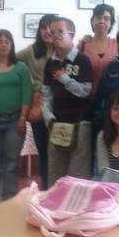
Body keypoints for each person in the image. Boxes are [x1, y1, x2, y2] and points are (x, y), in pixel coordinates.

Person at [0, 30, 32, 206]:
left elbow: (26, 95)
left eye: (7, 41)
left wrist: (22, 118)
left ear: (12, 45)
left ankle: (10, 201)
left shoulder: (21, 68)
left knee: (11, 163)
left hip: (14, 121)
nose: (3, 44)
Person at [42, 17, 93, 183]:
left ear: (72, 34)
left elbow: (86, 91)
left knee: (77, 176)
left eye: (60, 31)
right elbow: (46, 93)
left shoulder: (83, 60)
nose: (55, 35)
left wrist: (65, 79)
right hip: (57, 124)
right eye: (52, 32)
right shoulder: (50, 63)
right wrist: (49, 118)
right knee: (55, 174)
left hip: (80, 124)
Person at [16, 14, 57, 190]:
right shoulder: (31, 51)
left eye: (51, 28)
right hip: (39, 106)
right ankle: (46, 190)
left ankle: (59, 190)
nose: (47, 31)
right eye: (43, 28)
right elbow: (8, 57)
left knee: (59, 152)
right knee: (44, 152)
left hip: (61, 106)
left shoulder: (64, 49)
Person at [79, 4, 118, 92]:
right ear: (92, 21)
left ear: (111, 23)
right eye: (98, 17)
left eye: (106, 18)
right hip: (85, 95)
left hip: (110, 96)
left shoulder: (117, 45)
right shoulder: (83, 44)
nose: (102, 21)